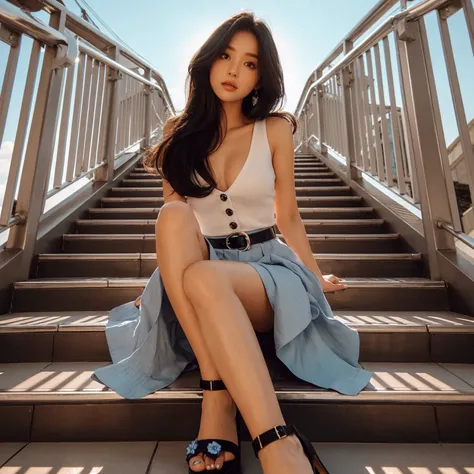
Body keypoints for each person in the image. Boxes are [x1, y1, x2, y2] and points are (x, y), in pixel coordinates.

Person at [93, 11, 372, 474]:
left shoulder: (275, 129)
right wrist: (156, 290)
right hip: (202, 269)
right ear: (207, 60)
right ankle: (219, 396)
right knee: (175, 216)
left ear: (261, 76)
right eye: (226, 56)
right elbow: (176, 229)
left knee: (205, 276)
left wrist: (315, 275)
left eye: (249, 63)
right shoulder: (177, 136)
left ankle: (273, 439)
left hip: (264, 271)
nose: (234, 71)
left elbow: (289, 216)